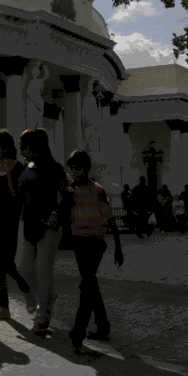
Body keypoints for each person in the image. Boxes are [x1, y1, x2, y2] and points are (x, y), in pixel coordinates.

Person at [65, 150, 122, 355]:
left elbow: (110, 218)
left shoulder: (98, 191)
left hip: (96, 242)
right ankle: (103, 325)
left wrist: (118, 247)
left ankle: (78, 331)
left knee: (86, 283)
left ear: (86, 168)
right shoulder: (69, 192)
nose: (73, 172)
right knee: (90, 283)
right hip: (79, 242)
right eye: (71, 168)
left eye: (77, 168)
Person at [17, 128, 71, 337]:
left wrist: (57, 213)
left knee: (43, 270)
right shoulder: (26, 167)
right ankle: (46, 296)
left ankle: (42, 319)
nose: (22, 151)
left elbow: (67, 195)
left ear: (36, 147)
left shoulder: (55, 168)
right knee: (23, 268)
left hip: (49, 226)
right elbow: (21, 196)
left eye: (24, 147)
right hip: (27, 223)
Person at [0, 129, 34, 321]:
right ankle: (3, 308)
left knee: (7, 263)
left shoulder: (18, 167)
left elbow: (16, 197)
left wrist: (9, 174)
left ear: (6, 147)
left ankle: (26, 290)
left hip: (9, 221)